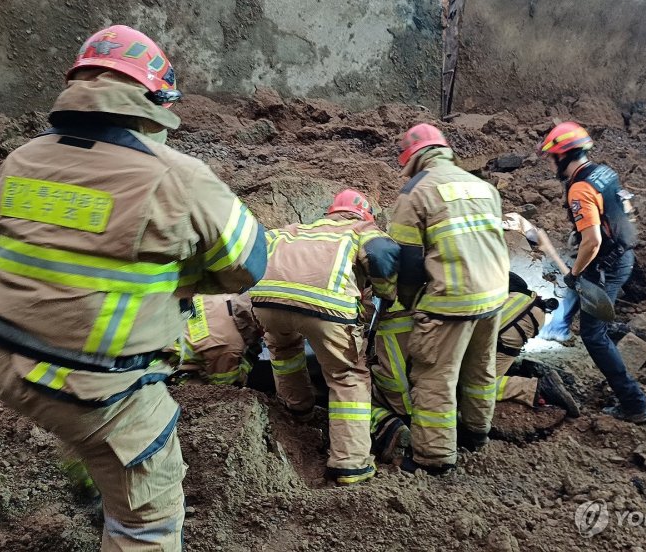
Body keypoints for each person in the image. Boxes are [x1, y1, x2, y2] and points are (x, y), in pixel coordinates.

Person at [0, 25, 267, 550]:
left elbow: (34, 242)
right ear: (154, 101)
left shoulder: (20, 160)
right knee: (148, 522)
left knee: (81, 431)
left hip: (5, 362)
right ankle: (116, 497)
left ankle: (94, 479)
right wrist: (182, 275)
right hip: (97, 388)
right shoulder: (178, 177)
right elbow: (248, 267)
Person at [250, 189, 399, 485]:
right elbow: (383, 255)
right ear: (364, 214)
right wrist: (387, 292)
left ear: (330, 211)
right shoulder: (361, 229)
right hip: (328, 310)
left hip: (267, 301)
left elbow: (259, 245)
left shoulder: (295, 229)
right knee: (347, 374)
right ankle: (351, 464)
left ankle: (298, 410)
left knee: (284, 354)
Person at [389, 123, 510, 474]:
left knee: (434, 378)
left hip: (451, 302)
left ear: (411, 158)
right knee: (481, 367)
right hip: (493, 295)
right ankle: (476, 432)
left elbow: (408, 260)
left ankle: (434, 458)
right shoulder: (483, 186)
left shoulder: (417, 192)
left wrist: (410, 301)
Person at [370, 270, 580, 465]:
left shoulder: (392, 313)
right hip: (519, 310)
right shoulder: (413, 294)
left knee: (462, 384)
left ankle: (535, 387)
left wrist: (408, 413)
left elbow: (402, 380)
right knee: (466, 374)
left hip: (508, 316)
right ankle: (525, 374)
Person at [538, 121, 646, 424]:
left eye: (552, 157)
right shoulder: (605, 173)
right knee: (578, 285)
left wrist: (575, 272)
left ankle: (634, 403)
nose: (552, 164)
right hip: (620, 256)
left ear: (564, 155)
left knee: (593, 334)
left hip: (605, 265)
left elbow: (593, 240)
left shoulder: (580, 187)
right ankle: (557, 327)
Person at [169, 292, 263, 386]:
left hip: (162, 327)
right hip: (167, 361)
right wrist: (249, 360)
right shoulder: (229, 346)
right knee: (204, 391)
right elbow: (225, 384)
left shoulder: (227, 296)